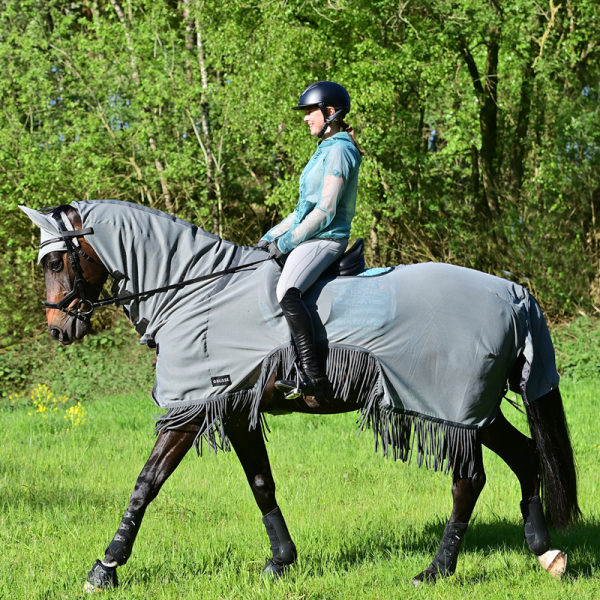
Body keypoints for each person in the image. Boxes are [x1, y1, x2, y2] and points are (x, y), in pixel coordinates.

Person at [257, 81, 363, 400]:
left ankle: (313, 376)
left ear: (330, 112)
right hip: (311, 235)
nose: (305, 118)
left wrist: (286, 244)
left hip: (327, 238)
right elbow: (300, 210)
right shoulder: (324, 149)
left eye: (310, 112)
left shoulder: (341, 150)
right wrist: (268, 239)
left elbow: (326, 210)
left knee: (287, 292)